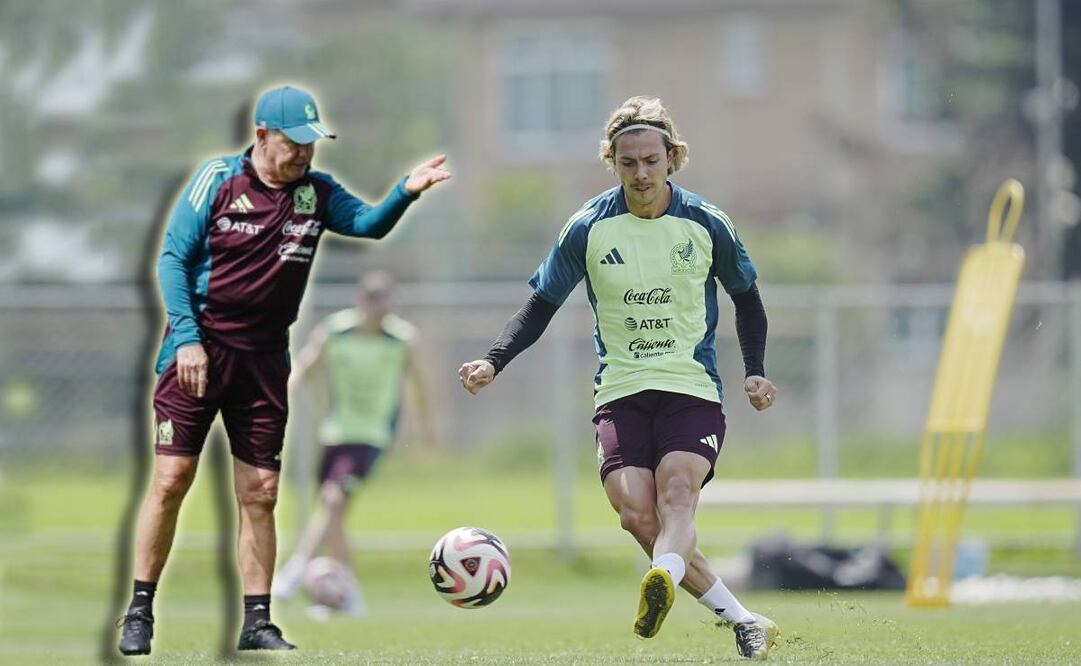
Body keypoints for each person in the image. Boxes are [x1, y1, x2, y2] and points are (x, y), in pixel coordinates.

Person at [117, 85, 450, 656]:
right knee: (172, 481)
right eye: (294, 143)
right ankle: (139, 611)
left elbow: (369, 225)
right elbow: (172, 259)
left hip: (265, 360)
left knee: (262, 492)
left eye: (311, 144)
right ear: (263, 135)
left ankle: (257, 621)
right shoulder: (218, 180)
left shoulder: (315, 194)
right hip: (198, 352)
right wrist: (190, 341)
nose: (304, 154)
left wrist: (404, 193)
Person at [458, 96, 779, 660]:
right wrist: (493, 359)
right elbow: (540, 305)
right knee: (636, 513)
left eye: (651, 160)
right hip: (621, 391)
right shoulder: (588, 227)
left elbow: (747, 298)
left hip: (690, 387)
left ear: (673, 158)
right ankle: (744, 619)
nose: (641, 173)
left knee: (677, 495)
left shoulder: (706, 224)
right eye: (628, 163)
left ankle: (665, 579)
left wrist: (754, 373)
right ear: (612, 161)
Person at [270, 271, 434, 614]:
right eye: (376, 304)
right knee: (334, 515)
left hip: (371, 436)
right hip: (334, 433)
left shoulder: (400, 339)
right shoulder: (336, 331)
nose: (382, 311)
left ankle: (296, 568)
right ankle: (350, 597)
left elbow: (419, 385)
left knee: (332, 501)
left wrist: (426, 428)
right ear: (362, 302)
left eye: (387, 303)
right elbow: (305, 366)